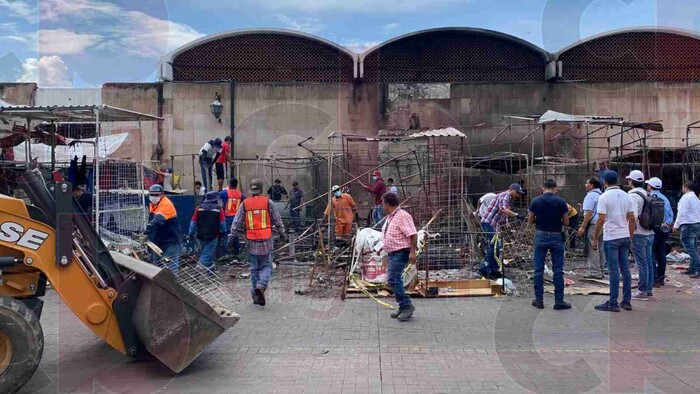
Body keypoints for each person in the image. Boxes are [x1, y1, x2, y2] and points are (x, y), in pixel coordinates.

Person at [229, 179, 287, 306]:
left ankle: (256, 293)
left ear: (251, 191)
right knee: (266, 265)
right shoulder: (268, 202)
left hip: (251, 240)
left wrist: (231, 238)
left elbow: (236, 222)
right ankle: (261, 286)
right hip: (266, 239)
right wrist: (282, 234)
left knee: (254, 268)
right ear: (261, 190)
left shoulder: (245, 204)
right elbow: (277, 220)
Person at [592, 170, 636, 312]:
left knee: (613, 270)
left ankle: (613, 303)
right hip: (624, 236)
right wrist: (630, 236)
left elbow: (601, 219)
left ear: (604, 182)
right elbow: (632, 218)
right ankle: (626, 301)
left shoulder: (603, 197)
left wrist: (594, 238)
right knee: (625, 268)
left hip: (611, 237)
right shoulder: (627, 196)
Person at [527, 179, 571, 310]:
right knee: (558, 270)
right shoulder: (561, 202)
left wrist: (538, 220)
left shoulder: (536, 201)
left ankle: (539, 300)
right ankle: (559, 301)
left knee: (538, 269)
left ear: (542, 187)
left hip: (541, 234)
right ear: (555, 188)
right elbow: (567, 222)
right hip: (556, 236)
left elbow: (530, 220)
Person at [381, 192, 417, 322]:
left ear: (388, 203)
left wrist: (412, 252)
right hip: (392, 253)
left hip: (401, 252)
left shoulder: (402, 216)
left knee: (393, 279)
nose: (382, 206)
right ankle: (403, 306)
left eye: (383, 203)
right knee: (393, 280)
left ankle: (406, 305)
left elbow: (413, 234)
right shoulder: (391, 216)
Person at [480, 183, 525, 279]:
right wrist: (517, 215)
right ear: (511, 189)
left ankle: (494, 269)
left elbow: (501, 212)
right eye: (517, 192)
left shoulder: (505, 197)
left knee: (497, 246)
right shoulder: (505, 196)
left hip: (492, 224)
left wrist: (506, 222)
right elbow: (503, 210)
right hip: (488, 223)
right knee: (494, 245)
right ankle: (485, 269)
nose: (517, 195)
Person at [626, 170, 655, 301]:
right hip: (649, 233)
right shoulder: (646, 193)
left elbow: (632, 217)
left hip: (638, 233)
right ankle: (648, 289)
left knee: (641, 263)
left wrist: (629, 235)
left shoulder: (632, 196)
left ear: (631, 181)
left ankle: (642, 291)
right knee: (648, 262)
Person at [145, 184, 182, 273]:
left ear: (162, 194)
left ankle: (173, 285)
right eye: (152, 195)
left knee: (170, 267)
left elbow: (158, 220)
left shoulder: (166, 204)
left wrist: (146, 232)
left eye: (156, 195)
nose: (153, 197)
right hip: (158, 241)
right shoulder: (153, 205)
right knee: (157, 267)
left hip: (171, 241)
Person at [188, 191, 226, 270]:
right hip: (213, 235)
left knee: (207, 252)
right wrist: (224, 232)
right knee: (207, 253)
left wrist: (190, 233)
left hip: (200, 235)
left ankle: (211, 272)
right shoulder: (219, 209)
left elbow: (193, 222)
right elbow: (222, 223)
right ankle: (198, 269)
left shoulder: (199, 208)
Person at [646, 177, 673, 286]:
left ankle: (654, 278)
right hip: (664, 229)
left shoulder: (649, 198)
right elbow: (671, 214)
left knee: (651, 253)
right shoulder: (665, 199)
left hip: (653, 229)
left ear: (650, 186)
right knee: (661, 253)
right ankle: (660, 278)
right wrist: (666, 223)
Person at [576, 177, 605, 279]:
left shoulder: (590, 196)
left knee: (593, 247)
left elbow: (589, 212)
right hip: (602, 224)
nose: (585, 185)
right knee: (601, 247)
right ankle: (601, 269)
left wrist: (582, 227)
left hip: (593, 225)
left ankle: (595, 271)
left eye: (587, 183)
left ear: (592, 185)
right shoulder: (601, 195)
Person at [673, 182, 700, 278]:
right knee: (694, 247)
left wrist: (676, 225)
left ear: (686, 187)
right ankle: (693, 268)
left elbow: (682, 213)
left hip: (688, 225)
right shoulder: (696, 198)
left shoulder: (686, 198)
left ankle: (698, 268)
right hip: (696, 224)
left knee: (690, 248)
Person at [221, 178, 244, 256]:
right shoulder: (240, 194)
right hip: (236, 217)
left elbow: (216, 196)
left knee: (226, 234)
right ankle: (236, 251)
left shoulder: (225, 192)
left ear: (230, 184)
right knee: (235, 234)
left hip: (227, 217)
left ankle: (225, 253)